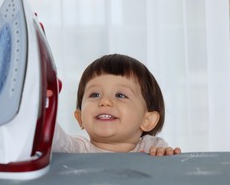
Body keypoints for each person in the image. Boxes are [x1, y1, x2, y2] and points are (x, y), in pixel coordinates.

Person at [51, 53, 181, 156]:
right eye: (95, 95)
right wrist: (40, 107)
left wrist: (165, 158)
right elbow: (53, 137)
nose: (104, 101)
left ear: (147, 120)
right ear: (80, 118)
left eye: (120, 95)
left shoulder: (152, 148)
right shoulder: (78, 149)